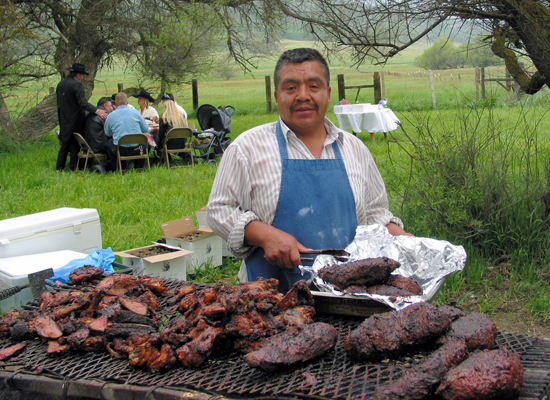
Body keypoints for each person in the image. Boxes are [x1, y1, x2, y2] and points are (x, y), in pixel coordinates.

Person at [206, 48, 412, 293]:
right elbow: (219, 209)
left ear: (328, 93)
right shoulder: (247, 148)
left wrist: (404, 239)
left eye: (313, 86)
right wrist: (263, 235)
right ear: (276, 95)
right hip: (270, 297)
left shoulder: (355, 149)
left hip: (348, 296)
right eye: (291, 88)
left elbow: (375, 213)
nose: (303, 96)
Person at [55, 62, 108, 171]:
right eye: (82, 75)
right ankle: (73, 166)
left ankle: (61, 167)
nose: (82, 78)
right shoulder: (77, 85)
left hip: (63, 118)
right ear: (78, 75)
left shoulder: (61, 84)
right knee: (75, 143)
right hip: (75, 119)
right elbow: (82, 102)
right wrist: (96, 110)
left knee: (66, 143)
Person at [103, 92, 150, 171]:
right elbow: (145, 129)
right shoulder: (136, 113)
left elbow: (107, 133)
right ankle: (139, 166)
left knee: (109, 143)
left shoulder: (111, 116)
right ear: (127, 102)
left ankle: (118, 166)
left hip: (120, 149)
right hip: (137, 148)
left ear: (115, 103)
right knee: (147, 143)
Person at [156, 94, 190, 162]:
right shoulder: (181, 116)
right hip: (182, 142)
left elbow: (160, 135)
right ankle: (187, 156)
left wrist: (156, 143)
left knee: (158, 147)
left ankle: (167, 160)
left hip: (169, 144)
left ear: (166, 108)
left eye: (164, 107)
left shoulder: (165, 119)